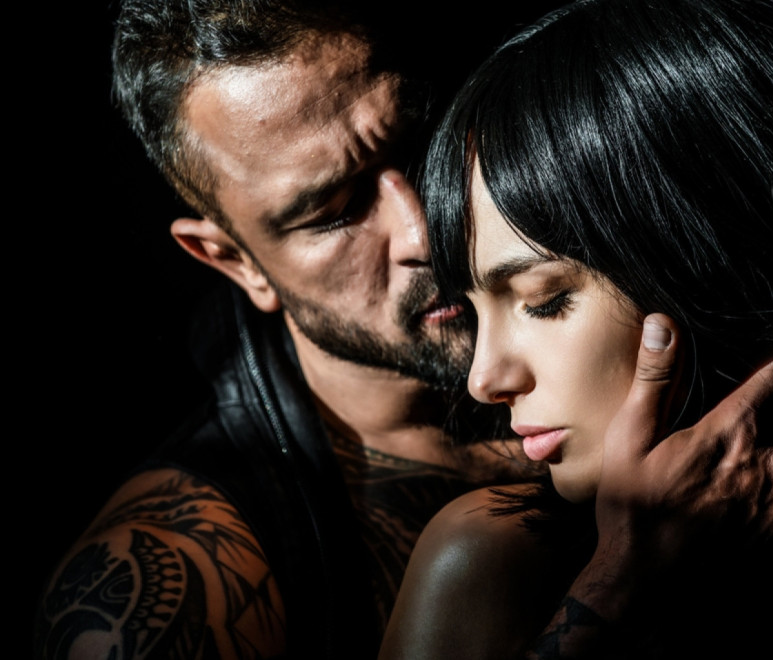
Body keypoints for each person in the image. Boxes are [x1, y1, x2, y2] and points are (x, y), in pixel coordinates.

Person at [379, 0, 773, 657]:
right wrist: (618, 589)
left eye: (544, 300)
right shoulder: (486, 563)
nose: (483, 379)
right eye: (473, 308)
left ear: (725, 271)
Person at [33, 1, 569, 657]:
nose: (423, 233)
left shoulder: (633, 307)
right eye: (334, 213)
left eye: (421, 142)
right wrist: (610, 595)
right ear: (233, 261)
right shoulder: (169, 594)